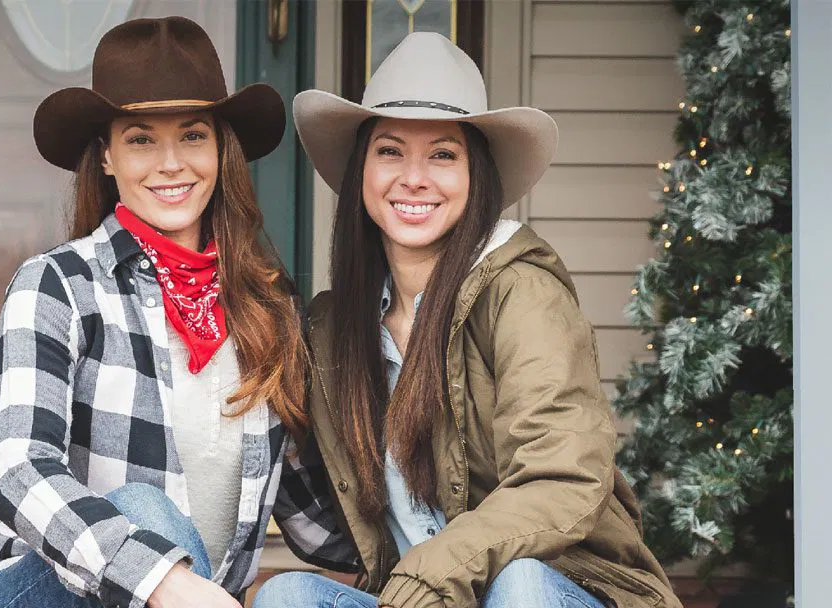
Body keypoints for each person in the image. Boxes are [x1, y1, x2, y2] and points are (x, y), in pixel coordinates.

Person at [258, 32, 684, 608]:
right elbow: (317, 505)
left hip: (560, 587)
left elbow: (561, 477)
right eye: (390, 151)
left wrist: (428, 576)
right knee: (288, 595)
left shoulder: (522, 293)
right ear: (362, 170)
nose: (414, 177)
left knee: (520, 585)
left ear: (475, 175)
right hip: (424, 596)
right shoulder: (335, 330)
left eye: (442, 154)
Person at [0, 16, 310, 608]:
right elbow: (19, 470)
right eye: (142, 139)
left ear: (221, 150)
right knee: (145, 511)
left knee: (295, 594)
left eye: (193, 136)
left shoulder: (271, 310)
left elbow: (316, 518)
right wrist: (161, 578)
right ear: (107, 156)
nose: (171, 163)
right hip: (44, 596)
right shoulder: (59, 285)